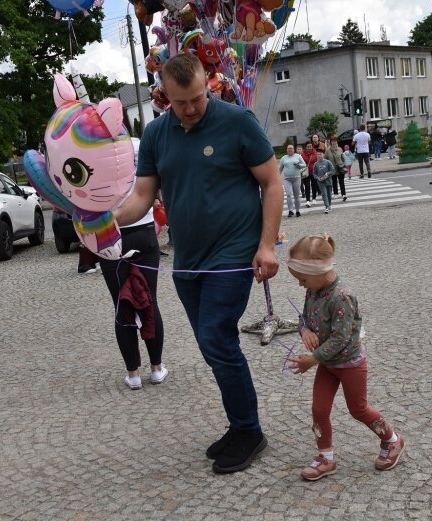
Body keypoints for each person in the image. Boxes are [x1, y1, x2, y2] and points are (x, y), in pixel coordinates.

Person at [113, 53, 282, 475]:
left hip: (232, 255)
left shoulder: (237, 121)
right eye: (180, 101)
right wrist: (105, 219)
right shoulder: (155, 134)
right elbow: (141, 198)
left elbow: (272, 182)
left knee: (216, 338)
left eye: (198, 98)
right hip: (187, 262)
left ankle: (249, 431)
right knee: (213, 346)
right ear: (164, 95)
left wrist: (266, 246)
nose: (191, 108)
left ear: (208, 84)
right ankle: (239, 423)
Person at [286, 234, 405, 481]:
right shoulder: (313, 291)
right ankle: (326, 458)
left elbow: (341, 339)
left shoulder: (342, 298)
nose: (301, 285)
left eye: (302, 279)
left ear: (319, 271)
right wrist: (305, 330)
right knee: (319, 410)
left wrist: (312, 359)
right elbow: (304, 317)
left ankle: (392, 440)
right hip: (327, 364)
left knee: (358, 409)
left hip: (350, 364)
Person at [99, 137, 167, 390]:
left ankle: (133, 374)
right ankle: (157, 368)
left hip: (110, 233)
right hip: (143, 227)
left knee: (121, 304)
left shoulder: (93, 147)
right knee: (150, 299)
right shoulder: (139, 144)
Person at [279, 144, 305, 217]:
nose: (289, 150)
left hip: (296, 178)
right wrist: (277, 178)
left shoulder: (298, 156)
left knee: (296, 195)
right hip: (287, 179)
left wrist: (299, 165)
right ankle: (290, 210)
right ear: (286, 150)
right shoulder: (283, 158)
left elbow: (304, 165)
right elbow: (280, 169)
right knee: (289, 194)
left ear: (294, 149)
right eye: (288, 148)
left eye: (291, 148)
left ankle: (297, 211)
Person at [325, 136, 347, 202]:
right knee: (334, 182)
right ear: (330, 142)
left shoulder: (340, 149)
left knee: (341, 182)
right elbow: (326, 159)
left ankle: (344, 194)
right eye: (333, 141)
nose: (334, 143)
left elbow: (342, 157)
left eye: (335, 141)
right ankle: (335, 193)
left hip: (340, 168)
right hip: (332, 168)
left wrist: (343, 163)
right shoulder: (328, 150)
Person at [312, 149, 334, 213]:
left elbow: (333, 170)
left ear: (323, 155)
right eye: (317, 154)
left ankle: (329, 205)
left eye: (320, 154)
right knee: (324, 194)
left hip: (328, 181)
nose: (319, 156)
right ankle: (326, 207)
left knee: (329, 194)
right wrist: (317, 178)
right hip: (321, 182)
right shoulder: (316, 164)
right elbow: (314, 173)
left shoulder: (328, 162)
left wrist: (328, 174)